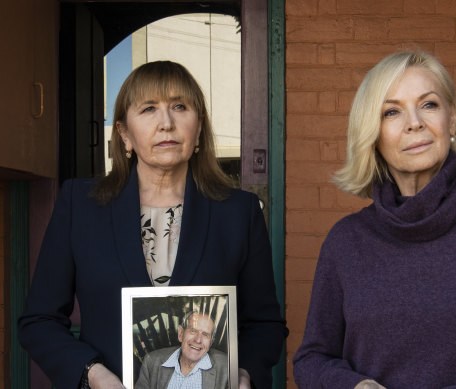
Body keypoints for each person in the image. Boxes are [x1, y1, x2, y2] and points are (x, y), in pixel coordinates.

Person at [18, 61, 287, 389]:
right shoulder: (81, 205)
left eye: (180, 106)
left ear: (199, 128)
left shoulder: (238, 212)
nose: (167, 123)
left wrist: (243, 374)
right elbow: (39, 321)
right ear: (124, 133)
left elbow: (265, 324)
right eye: (148, 109)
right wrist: (92, 374)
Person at [293, 50, 456, 388]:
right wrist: (352, 386)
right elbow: (313, 359)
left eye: (429, 105)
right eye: (392, 111)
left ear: (451, 120)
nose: (414, 122)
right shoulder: (346, 241)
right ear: (373, 134)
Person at [135, 311, 228, 389]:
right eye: (193, 331)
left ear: (210, 343)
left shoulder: (226, 368)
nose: (198, 340)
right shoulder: (152, 362)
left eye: (205, 334)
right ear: (181, 333)